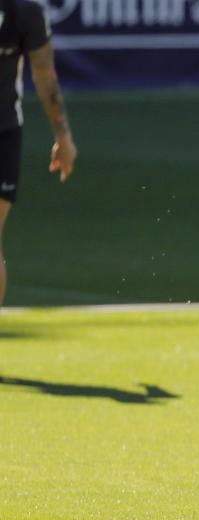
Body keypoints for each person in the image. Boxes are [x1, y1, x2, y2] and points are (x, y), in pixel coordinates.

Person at [0, 0, 77, 306]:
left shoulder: (25, 12)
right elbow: (45, 74)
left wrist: (63, 135)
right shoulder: (26, 10)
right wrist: (63, 136)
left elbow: (45, 74)